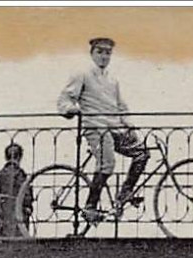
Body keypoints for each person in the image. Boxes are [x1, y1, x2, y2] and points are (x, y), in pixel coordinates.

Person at [57, 37, 151, 222]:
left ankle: (125, 193)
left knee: (142, 153)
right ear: (92, 53)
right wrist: (71, 110)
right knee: (107, 164)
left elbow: (121, 106)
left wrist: (130, 125)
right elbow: (65, 99)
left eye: (108, 52)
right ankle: (90, 206)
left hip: (115, 129)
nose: (104, 56)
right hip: (96, 129)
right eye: (99, 52)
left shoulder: (112, 80)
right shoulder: (81, 74)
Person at [0, 141, 31, 239]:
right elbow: (27, 196)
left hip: (2, 216)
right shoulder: (22, 175)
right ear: (19, 157)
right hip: (18, 217)